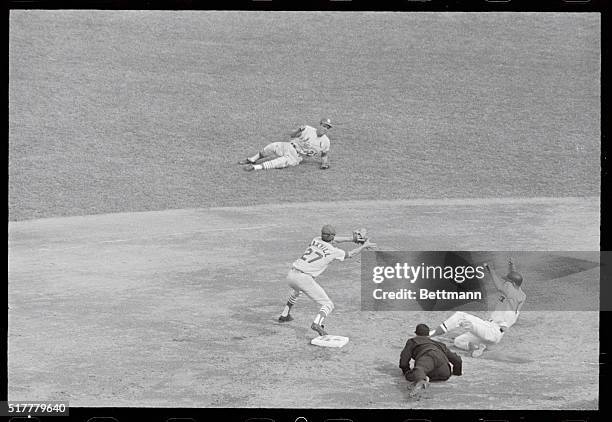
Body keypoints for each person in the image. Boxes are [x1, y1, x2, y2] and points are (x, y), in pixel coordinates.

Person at [278, 225, 375, 336]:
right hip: (304, 279)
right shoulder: (334, 251)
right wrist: (364, 246)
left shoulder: (315, 239)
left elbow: (334, 240)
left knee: (297, 291)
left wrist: (351, 239)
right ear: (332, 236)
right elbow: (351, 254)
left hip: (291, 275)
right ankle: (317, 324)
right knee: (328, 304)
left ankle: (285, 314)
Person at [429, 259, 527, 357]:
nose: (505, 282)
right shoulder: (520, 294)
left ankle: (430, 334)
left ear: (512, 284)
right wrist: (512, 267)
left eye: (507, 282)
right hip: (491, 332)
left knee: (460, 316)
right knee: (458, 341)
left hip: (492, 331)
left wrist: (490, 270)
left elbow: (499, 287)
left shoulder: (511, 294)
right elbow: (516, 280)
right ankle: (478, 347)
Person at [238, 118, 333, 171]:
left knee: (278, 162)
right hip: (288, 146)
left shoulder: (326, 142)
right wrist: (298, 130)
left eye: (327, 128)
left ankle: (255, 167)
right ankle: (252, 160)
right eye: (324, 126)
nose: (325, 129)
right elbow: (291, 135)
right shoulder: (307, 129)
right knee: (272, 146)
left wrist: (324, 163)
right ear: (319, 125)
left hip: (296, 157)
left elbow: (324, 155)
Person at [399, 324, 463, 396]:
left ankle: (422, 380)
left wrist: (407, 372)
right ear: (428, 334)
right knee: (422, 371)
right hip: (444, 372)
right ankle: (424, 378)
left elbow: (403, 362)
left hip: (427, 358)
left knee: (418, 371)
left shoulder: (412, 341)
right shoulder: (439, 344)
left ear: (416, 333)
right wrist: (456, 373)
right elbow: (457, 360)